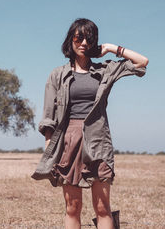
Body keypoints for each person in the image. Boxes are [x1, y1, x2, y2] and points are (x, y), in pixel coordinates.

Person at [31, 18, 148, 229]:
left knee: (102, 207)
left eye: (89, 38)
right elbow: (48, 119)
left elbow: (142, 62)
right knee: (72, 208)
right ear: (70, 40)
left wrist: (112, 48)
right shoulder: (57, 75)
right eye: (78, 37)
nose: (84, 42)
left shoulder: (105, 69)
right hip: (68, 140)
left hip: (98, 139)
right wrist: (50, 149)